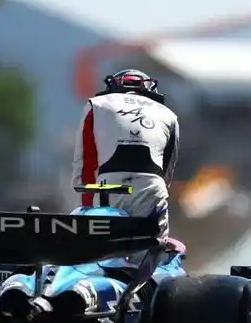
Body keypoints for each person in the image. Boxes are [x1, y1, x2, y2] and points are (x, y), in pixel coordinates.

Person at [71, 69, 180, 240]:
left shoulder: (96, 104)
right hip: (151, 188)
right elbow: (167, 172)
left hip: (108, 188)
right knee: (151, 253)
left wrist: (87, 207)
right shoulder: (169, 115)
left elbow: (85, 163)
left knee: (102, 254)